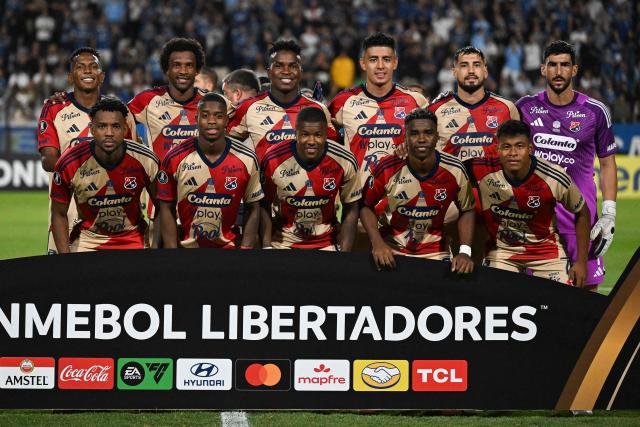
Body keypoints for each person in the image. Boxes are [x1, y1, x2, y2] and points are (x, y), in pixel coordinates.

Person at [516, 40, 617, 290]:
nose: (558, 71)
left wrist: (610, 213)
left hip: (581, 223)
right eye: (552, 65)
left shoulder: (595, 111)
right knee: (536, 305)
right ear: (542, 69)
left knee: (587, 303)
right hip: (537, 224)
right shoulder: (524, 108)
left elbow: (607, 164)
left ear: (574, 70)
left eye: (564, 65)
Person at [127, 38, 233, 246]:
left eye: (189, 65)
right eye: (177, 65)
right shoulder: (146, 101)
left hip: (205, 200)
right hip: (161, 201)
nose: (183, 71)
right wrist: (65, 99)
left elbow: (249, 118)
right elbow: (111, 115)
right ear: (166, 70)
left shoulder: (215, 104)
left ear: (197, 71)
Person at [465, 120, 590, 287]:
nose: (513, 153)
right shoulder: (480, 168)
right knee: (494, 301)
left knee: (562, 305)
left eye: (519, 146)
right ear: (498, 149)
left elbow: (583, 212)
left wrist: (581, 262)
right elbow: (448, 172)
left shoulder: (553, 177)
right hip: (502, 253)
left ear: (530, 149)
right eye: (506, 147)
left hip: (546, 253)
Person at [37, 47, 136, 254]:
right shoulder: (54, 108)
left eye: (93, 67)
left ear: (102, 76)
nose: (88, 71)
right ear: (71, 76)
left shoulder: (119, 112)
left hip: (114, 217)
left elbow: (133, 161)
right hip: (67, 214)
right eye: (80, 68)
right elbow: (49, 160)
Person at [428, 46, 520, 262]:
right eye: (464, 65)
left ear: (485, 71)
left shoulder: (507, 108)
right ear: (454, 71)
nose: (471, 70)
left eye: (476, 65)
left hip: (496, 201)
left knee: (494, 270)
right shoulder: (437, 110)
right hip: (451, 203)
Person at [361, 108, 475, 272]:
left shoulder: (455, 169)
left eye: (428, 133)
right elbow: (365, 206)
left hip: (436, 252)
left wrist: (465, 252)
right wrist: (377, 243)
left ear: (437, 137)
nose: (421, 139)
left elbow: (468, 209)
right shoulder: (387, 167)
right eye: (414, 133)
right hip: (393, 250)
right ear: (405, 138)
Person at [50, 97, 159, 253]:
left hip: (134, 240)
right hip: (88, 241)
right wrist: (65, 260)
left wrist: (155, 249)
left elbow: (162, 207)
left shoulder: (146, 160)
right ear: (91, 129)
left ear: (125, 129)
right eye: (102, 126)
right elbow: (58, 214)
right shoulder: (69, 162)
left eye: (116, 126)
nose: (109, 133)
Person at [157, 93, 263, 248]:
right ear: (196, 119)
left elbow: (253, 208)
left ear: (227, 120)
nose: (212, 121)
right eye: (205, 116)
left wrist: (246, 250)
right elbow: (166, 206)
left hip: (230, 251)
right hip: (186, 251)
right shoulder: (175, 157)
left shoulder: (247, 159)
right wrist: (172, 252)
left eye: (218, 116)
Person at [329, 32, 429, 187]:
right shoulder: (342, 102)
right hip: (358, 199)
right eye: (373, 60)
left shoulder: (416, 101)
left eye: (387, 59)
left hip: (403, 199)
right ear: (363, 63)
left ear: (395, 62)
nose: (380, 66)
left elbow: (432, 146)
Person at [260, 107, 360, 250]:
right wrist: (266, 247)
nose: (311, 141)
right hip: (283, 244)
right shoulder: (273, 158)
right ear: (296, 133)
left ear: (326, 134)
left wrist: (344, 254)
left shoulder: (345, 160)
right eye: (305, 134)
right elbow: (264, 205)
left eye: (318, 135)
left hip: (327, 244)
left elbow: (351, 207)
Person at [227, 40, 337, 162]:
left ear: (301, 72)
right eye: (279, 66)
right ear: (269, 72)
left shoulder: (318, 109)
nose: (286, 71)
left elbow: (333, 154)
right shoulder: (248, 108)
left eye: (293, 66)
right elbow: (224, 145)